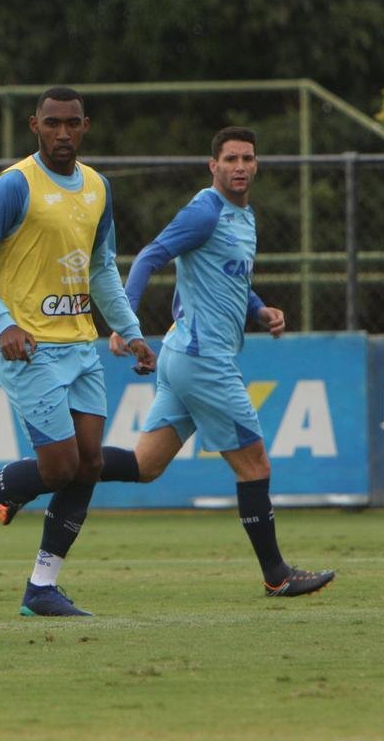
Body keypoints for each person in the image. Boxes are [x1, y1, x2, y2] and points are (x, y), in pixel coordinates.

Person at [0, 86, 156, 617]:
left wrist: (132, 330)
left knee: (90, 463)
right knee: (58, 467)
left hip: (81, 344)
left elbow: (100, 268)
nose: (62, 133)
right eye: (52, 123)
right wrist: (4, 324)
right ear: (35, 125)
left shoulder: (98, 188)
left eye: (72, 123)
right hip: (27, 348)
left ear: (85, 126)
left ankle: (41, 588)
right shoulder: (14, 186)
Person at [99, 125, 335, 597]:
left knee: (145, 466)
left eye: (248, 158)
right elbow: (149, 257)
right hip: (203, 360)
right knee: (255, 466)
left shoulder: (244, 217)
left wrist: (259, 308)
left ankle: (39, 474)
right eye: (230, 159)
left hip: (183, 356)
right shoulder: (205, 210)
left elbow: (231, 278)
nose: (240, 167)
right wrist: (126, 325)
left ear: (257, 164)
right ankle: (277, 576)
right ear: (214, 166)